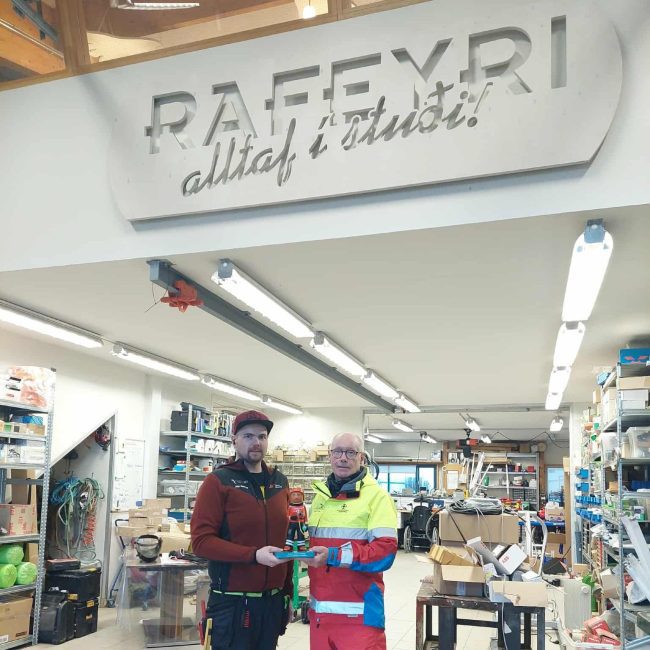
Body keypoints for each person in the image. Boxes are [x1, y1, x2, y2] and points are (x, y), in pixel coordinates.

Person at [191, 410, 292, 650]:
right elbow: (201, 542)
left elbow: (284, 542)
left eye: (262, 436)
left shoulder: (280, 482)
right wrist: (253, 555)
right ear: (234, 440)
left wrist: (287, 595)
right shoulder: (218, 482)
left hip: (272, 603)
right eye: (248, 436)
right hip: (232, 604)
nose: (256, 442)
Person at [304, 432, 398, 650]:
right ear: (330, 456)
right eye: (337, 452)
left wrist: (334, 556)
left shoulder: (378, 498)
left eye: (350, 452)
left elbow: (385, 552)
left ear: (361, 458)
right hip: (320, 616)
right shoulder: (321, 497)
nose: (343, 458)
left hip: (359, 616)